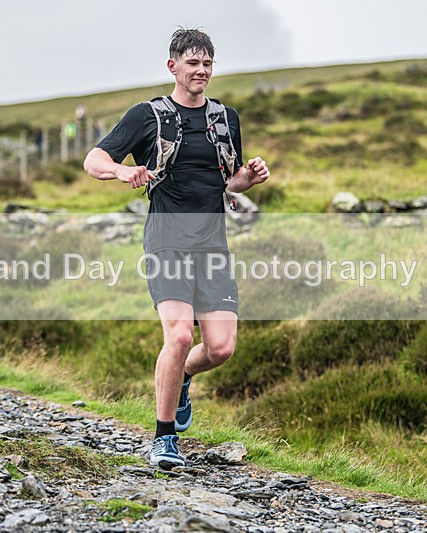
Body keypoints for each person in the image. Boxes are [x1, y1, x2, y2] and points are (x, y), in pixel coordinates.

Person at [83, 28, 270, 469]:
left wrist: (250, 177)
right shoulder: (147, 115)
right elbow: (94, 159)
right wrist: (120, 173)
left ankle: (183, 376)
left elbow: (224, 181)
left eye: (207, 64)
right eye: (193, 63)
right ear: (173, 67)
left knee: (221, 348)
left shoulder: (225, 118)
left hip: (213, 245)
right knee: (181, 334)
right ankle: (164, 438)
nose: (201, 71)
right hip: (167, 241)